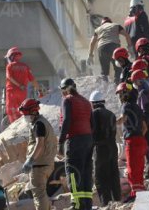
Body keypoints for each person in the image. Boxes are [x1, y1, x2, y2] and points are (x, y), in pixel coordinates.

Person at [58, 78, 93, 210]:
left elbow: (66, 120)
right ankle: (87, 204)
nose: (62, 93)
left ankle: (77, 204)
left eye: (62, 90)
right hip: (88, 139)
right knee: (85, 172)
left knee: (72, 170)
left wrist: (60, 142)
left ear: (65, 89)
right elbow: (92, 124)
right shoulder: (85, 101)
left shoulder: (68, 100)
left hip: (75, 140)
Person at [19, 99, 56, 210]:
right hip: (45, 163)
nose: (25, 116)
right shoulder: (42, 122)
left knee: (38, 194)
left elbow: (40, 144)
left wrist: (30, 160)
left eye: (26, 114)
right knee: (42, 193)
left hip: (40, 164)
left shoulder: (39, 124)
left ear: (34, 111)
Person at [115, 82, 147, 202]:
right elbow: (145, 128)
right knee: (139, 169)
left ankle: (135, 196)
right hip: (141, 140)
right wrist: (138, 136)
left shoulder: (126, 106)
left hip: (132, 141)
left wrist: (110, 123)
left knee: (132, 170)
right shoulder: (137, 107)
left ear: (124, 94)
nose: (119, 97)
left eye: (120, 94)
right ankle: (141, 194)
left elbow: (123, 119)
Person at [89, 90, 121, 206]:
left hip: (100, 149)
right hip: (113, 148)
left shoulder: (94, 114)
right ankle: (118, 201)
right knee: (114, 175)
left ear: (93, 103)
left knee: (101, 177)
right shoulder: (111, 114)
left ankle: (106, 204)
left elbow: (92, 133)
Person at [88, 17, 132, 84]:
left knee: (104, 72)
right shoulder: (116, 25)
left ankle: (105, 87)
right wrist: (130, 47)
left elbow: (92, 42)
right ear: (110, 22)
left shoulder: (98, 29)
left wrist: (90, 55)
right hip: (113, 46)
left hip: (101, 49)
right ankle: (117, 85)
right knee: (118, 68)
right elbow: (127, 35)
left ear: (102, 23)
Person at [130, 70, 149, 178]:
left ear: (139, 82)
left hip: (147, 123)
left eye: (135, 82)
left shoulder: (142, 93)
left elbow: (145, 110)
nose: (134, 84)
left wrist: (144, 125)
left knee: (147, 146)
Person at [5, 46, 40, 124]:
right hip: (22, 92)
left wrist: (18, 85)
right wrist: (39, 89)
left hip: (11, 92)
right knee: (21, 110)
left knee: (11, 111)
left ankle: (14, 128)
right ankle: (22, 126)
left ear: (11, 56)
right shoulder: (25, 66)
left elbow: (9, 77)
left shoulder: (10, 66)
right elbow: (32, 79)